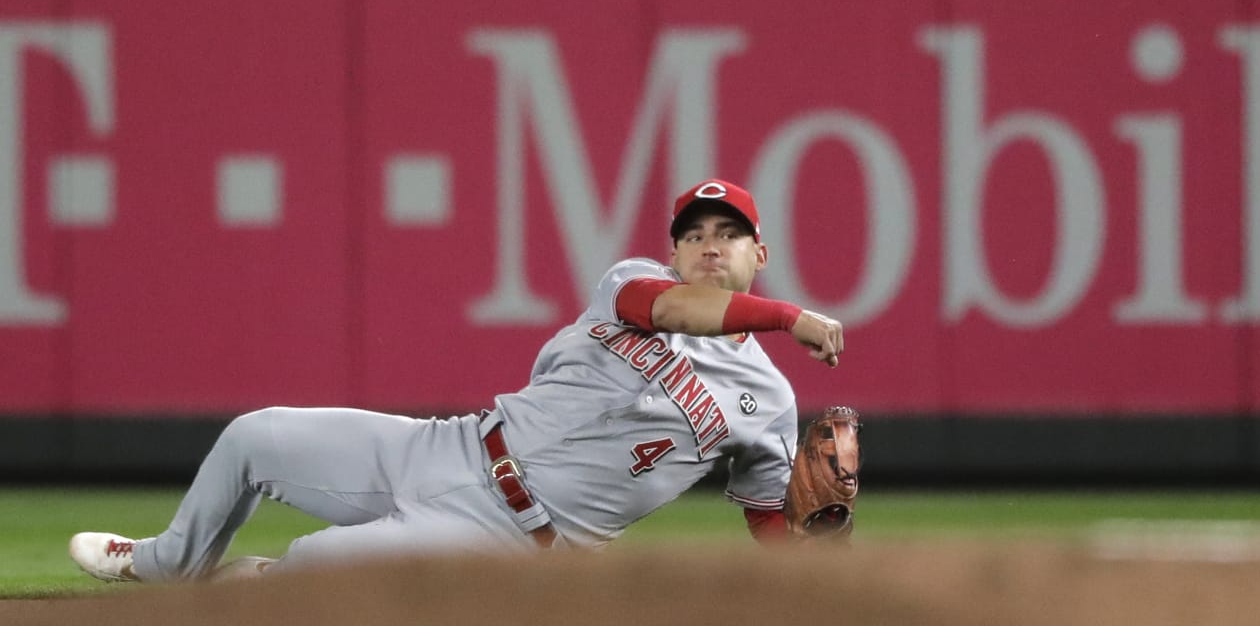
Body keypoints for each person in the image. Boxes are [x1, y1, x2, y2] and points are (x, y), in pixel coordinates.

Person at [68, 178, 845, 583]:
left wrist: (823, 563)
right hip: (452, 448)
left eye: (730, 235)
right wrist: (789, 316)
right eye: (695, 235)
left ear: (759, 251)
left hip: (513, 537)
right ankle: (168, 565)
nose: (710, 246)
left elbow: (770, 519)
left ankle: (251, 590)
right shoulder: (634, 280)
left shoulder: (771, 403)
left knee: (310, 572)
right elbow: (673, 308)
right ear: (671, 252)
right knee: (254, 437)